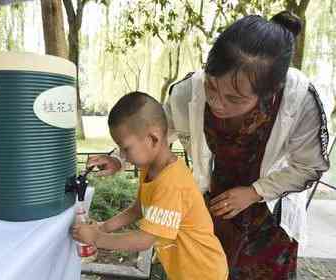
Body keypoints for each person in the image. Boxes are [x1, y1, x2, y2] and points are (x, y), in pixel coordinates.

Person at [86, 11, 330, 280]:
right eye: (211, 86)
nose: (216, 102)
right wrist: (117, 158)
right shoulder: (189, 91)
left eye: (234, 99)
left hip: (267, 217)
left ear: (271, 92)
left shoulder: (299, 101)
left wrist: (254, 192)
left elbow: (309, 166)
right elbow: (154, 132)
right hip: (211, 207)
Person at [72, 92, 228, 280]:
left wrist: (97, 238)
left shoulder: (171, 183)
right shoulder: (150, 168)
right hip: (184, 272)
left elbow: (144, 240)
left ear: (153, 139)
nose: (123, 155)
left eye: (126, 148)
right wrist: (103, 227)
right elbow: (137, 209)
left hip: (204, 273)